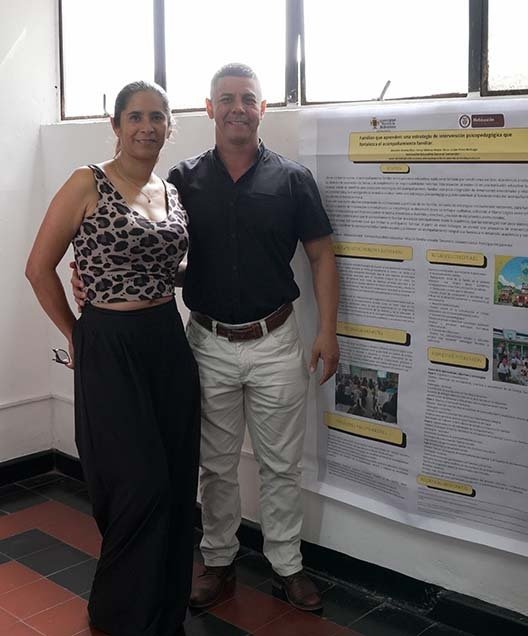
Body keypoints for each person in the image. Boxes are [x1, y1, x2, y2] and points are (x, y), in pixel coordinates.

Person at [27, 81, 199, 636]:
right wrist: (78, 332)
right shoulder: (87, 182)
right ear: (116, 123)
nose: (147, 126)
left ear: (170, 125)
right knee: (136, 485)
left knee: (173, 480)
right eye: (135, 116)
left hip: (166, 341)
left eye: (157, 116)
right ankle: (122, 614)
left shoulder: (171, 192)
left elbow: (168, 269)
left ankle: (162, 608)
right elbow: (38, 267)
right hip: (109, 341)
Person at [166, 63, 339, 612]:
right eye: (226, 98)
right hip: (207, 341)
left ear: (263, 108)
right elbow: (156, 253)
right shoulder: (181, 180)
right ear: (209, 108)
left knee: (281, 465)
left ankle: (286, 565)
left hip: (276, 340)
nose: (237, 107)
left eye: (248, 98)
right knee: (214, 464)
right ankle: (218, 561)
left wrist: (328, 331)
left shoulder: (293, 179)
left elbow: (321, 256)